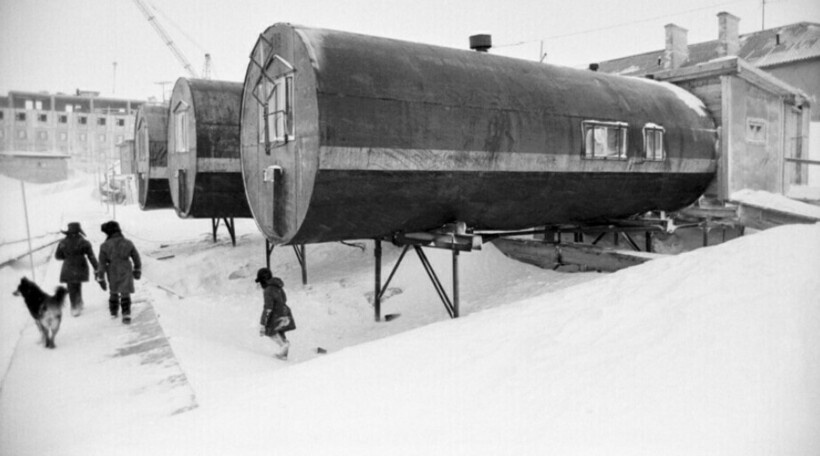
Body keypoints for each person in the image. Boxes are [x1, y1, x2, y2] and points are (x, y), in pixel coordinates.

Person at [96, 221, 141, 324]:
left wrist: (101, 277)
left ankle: (113, 311)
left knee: (113, 291)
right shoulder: (128, 242)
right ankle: (126, 314)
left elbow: (101, 264)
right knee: (125, 292)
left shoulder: (104, 246)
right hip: (126, 268)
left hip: (112, 269)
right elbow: (136, 257)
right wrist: (137, 269)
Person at [54, 222, 99, 317]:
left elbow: (58, 256)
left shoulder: (62, 242)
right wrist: (97, 268)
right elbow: (91, 256)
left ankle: (75, 307)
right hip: (81, 266)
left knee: (71, 286)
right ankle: (79, 303)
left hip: (68, 266)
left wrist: (67, 256)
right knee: (77, 284)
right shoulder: (84, 242)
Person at [256, 268, 296, 360]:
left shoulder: (268, 290)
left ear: (263, 280)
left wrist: (263, 323)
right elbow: (284, 299)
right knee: (280, 332)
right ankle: (284, 355)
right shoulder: (278, 286)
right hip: (285, 311)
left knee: (270, 331)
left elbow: (268, 308)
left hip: (276, 313)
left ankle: (283, 345)